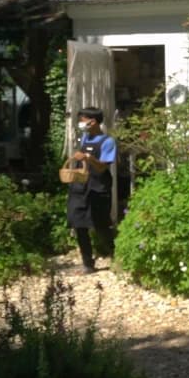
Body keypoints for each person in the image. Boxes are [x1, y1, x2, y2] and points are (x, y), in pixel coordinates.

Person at [66, 107, 118, 273]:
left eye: (82, 120)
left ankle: (116, 255)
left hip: (99, 187)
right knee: (78, 222)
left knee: (101, 224)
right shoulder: (85, 138)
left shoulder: (107, 142)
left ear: (93, 121)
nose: (80, 124)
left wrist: (90, 158)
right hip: (81, 186)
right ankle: (87, 263)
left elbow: (103, 167)